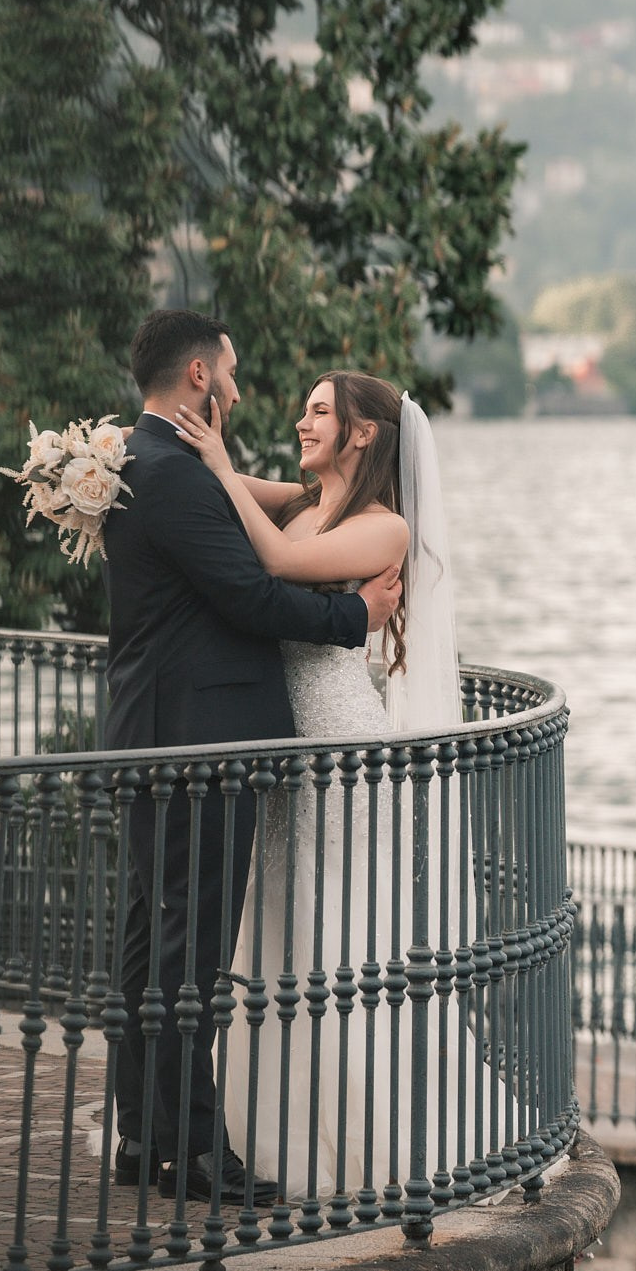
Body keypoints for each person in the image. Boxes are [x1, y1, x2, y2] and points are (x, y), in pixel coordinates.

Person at [101, 311, 403, 1205]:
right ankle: (191, 1151)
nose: (238, 391)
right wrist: (355, 620)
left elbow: (274, 512)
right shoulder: (180, 476)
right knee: (184, 951)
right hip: (207, 739)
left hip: (169, 729)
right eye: (228, 374)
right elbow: (249, 593)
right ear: (198, 375)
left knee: (154, 942)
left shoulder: (144, 461)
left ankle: (145, 1136)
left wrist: (231, 469)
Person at [165, 370, 474, 1204]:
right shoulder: (310, 503)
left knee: (337, 933)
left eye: (320, 411)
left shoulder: (385, 529)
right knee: (277, 928)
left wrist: (222, 464)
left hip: (341, 747)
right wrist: (206, 462)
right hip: (285, 747)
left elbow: (282, 563)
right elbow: (270, 504)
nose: (301, 420)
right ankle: (265, 1125)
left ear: (364, 433)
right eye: (303, 408)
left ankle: (367, 1136)